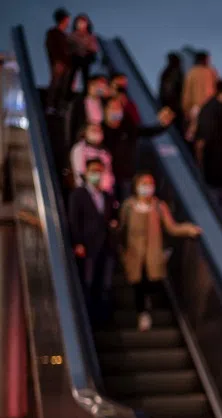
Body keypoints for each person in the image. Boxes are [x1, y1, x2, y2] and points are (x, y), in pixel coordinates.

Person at [119, 172, 201, 331]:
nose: (147, 187)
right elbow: (122, 229)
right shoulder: (128, 206)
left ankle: (148, 304)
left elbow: (172, 227)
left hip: (152, 253)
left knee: (153, 282)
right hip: (134, 254)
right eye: (144, 183)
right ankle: (142, 313)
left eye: (150, 184)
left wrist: (189, 229)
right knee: (138, 283)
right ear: (136, 186)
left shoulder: (158, 206)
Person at [68, 158, 117, 324]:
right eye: (93, 170)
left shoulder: (107, 196)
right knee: (88, 282)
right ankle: (87, 320)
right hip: (88, 246)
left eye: (100, 171)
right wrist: (77, 243)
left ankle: (103, 318)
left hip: (106, 246)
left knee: (105, 284)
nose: (97, 174)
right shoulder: (78, 194)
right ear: (86, 173)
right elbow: (74, 220)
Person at [104, 98, 174, 202]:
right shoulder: (101, 130)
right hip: (107, 178)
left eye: (119, 108)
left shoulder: (128, 127)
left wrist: (163, 125)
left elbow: (147, 132)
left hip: (126, 177)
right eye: (113, 108)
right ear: (106, 110)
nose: (116, 111)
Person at [195, 80, 222, 231]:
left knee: (214, 212)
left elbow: (204, 161)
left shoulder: (209, 142)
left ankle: (216, 233)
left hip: (213, 181)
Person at [70, 123, 114, 195]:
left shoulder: (104, 152)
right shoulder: (79, 149)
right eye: (93, 130)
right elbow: (80, 173)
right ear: (85, 132)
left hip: (104, 192)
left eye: (99, 130)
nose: (97, 132)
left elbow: (108, 174)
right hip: (86, 192)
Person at [182, 51, 217, 138]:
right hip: (209, 108)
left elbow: (187, 94)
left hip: (196, 108)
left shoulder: (191, 73)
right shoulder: (211, 72)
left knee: (193, 135)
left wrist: (186, 109)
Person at [67, 73, 107, 148]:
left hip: (99, 144)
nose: (100, 88)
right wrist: (71, 144)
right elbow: (71, 124)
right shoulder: (78, 102)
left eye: (103, 86)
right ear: (90, 84)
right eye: (98, 85)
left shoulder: (104, 103)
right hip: (82, 143)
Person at [45, 8, 72, 114]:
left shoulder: (65, 35)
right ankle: (50, 105)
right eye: (67, 19)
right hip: (59, 64)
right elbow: (51, 48)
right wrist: (56, 61)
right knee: (55, 84)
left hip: (67, 64)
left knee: (64, 86)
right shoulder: (53, 33)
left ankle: (60, 107)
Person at [69, 14, 98, 94]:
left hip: (86, 58)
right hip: (75, 58)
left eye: (83, 23)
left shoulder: (90, 36)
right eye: (79, 23)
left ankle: (86, 91)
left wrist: (89, 51)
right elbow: (68, 46)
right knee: (72, 73)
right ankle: (69, 91)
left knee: (85, 75)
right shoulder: (72, 35)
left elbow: (94, 47)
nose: (81, 25)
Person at [158, 53, 184, 133]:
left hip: (167, 103)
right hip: (173, 105)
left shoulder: (166, 71)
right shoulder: (175, 72)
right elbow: (170, 90)